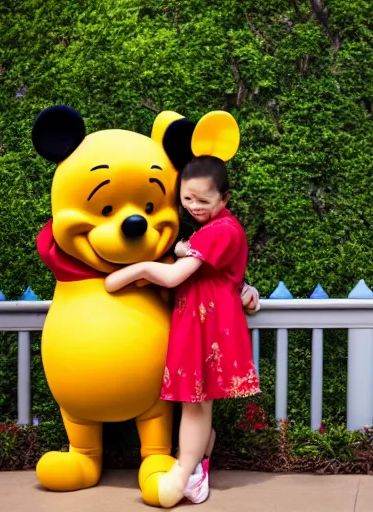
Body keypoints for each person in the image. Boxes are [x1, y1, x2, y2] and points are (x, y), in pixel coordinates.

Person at [105, 155, 261, 506]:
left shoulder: (222, 229)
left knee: (194, 402)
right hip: (199, 320)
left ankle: (183, 471)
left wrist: (135, 269)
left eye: (203, 201)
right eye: (187, 199)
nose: (193, 207)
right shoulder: (211, 230)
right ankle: (198, 467)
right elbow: (219, 272)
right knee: (196, 402)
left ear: (225, 199)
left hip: (208, 325)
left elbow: (176, 276)